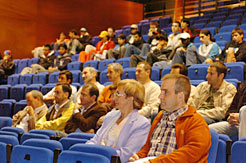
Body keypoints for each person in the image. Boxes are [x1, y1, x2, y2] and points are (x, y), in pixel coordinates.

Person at [129, 74, 211, 163]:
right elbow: (148, 147)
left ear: (180, 96)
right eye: (161, 92)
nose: (160, 96)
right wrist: (139, 156)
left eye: (166, 92)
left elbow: (191, 153)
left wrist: (156, 162)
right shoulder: (159, 117)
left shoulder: (196, 121)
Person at [86, 79, 150, 163]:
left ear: (130, 99)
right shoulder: (110, 116)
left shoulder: (141, 124)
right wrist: (87, 151)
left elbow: (127, 154)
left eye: (118, 94)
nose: (113, 97)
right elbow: (95, 140)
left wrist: (98, 158)